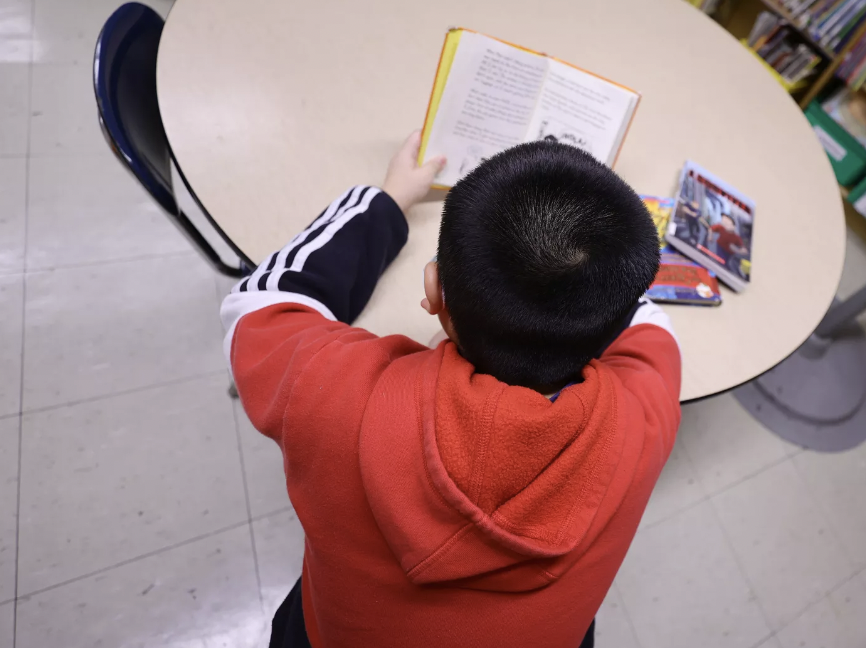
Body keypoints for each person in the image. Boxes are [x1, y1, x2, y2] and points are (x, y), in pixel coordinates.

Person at [221, 133, 682, 648]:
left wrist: (389, 199)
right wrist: (600, 265)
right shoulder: (646, 419)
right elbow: (654, 326)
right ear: (610, 330)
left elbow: (262, 301)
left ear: (434, 290)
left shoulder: (332, 396)